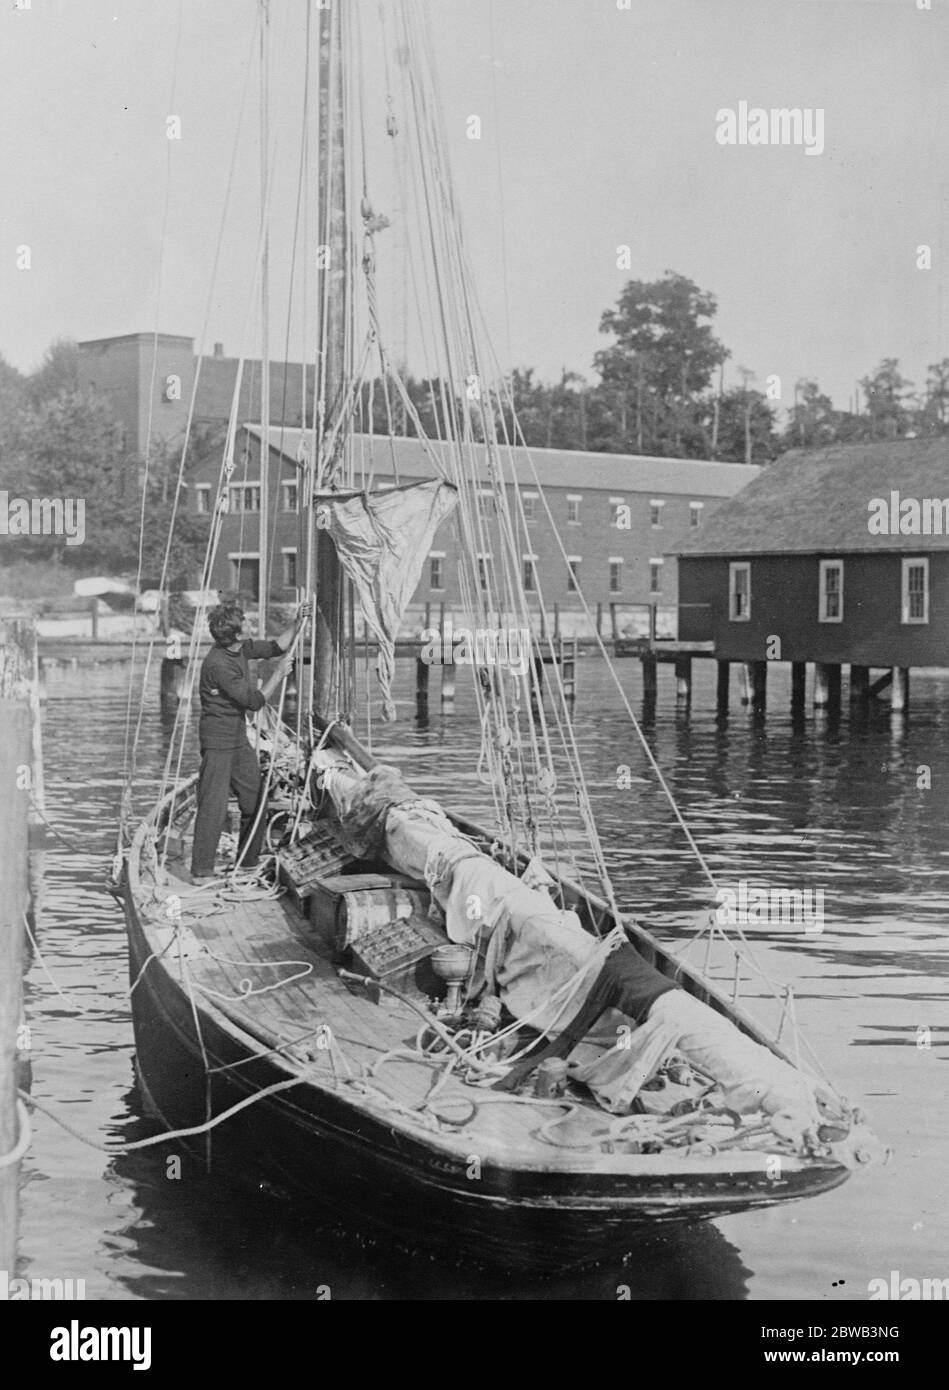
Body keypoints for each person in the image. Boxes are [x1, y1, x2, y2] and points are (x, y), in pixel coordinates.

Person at [189, 599, 310, 883]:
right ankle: (201, 871)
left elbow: (275, 647)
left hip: (237, 737)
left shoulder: (240, 647)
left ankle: (246, 862)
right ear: (237, 634)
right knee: (213, 805)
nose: (249, 622)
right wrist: (279, 675)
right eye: (245, 622)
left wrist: (298, 622)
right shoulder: (218, 664)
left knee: (255, 798)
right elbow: (254, 702)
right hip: (218, 741)